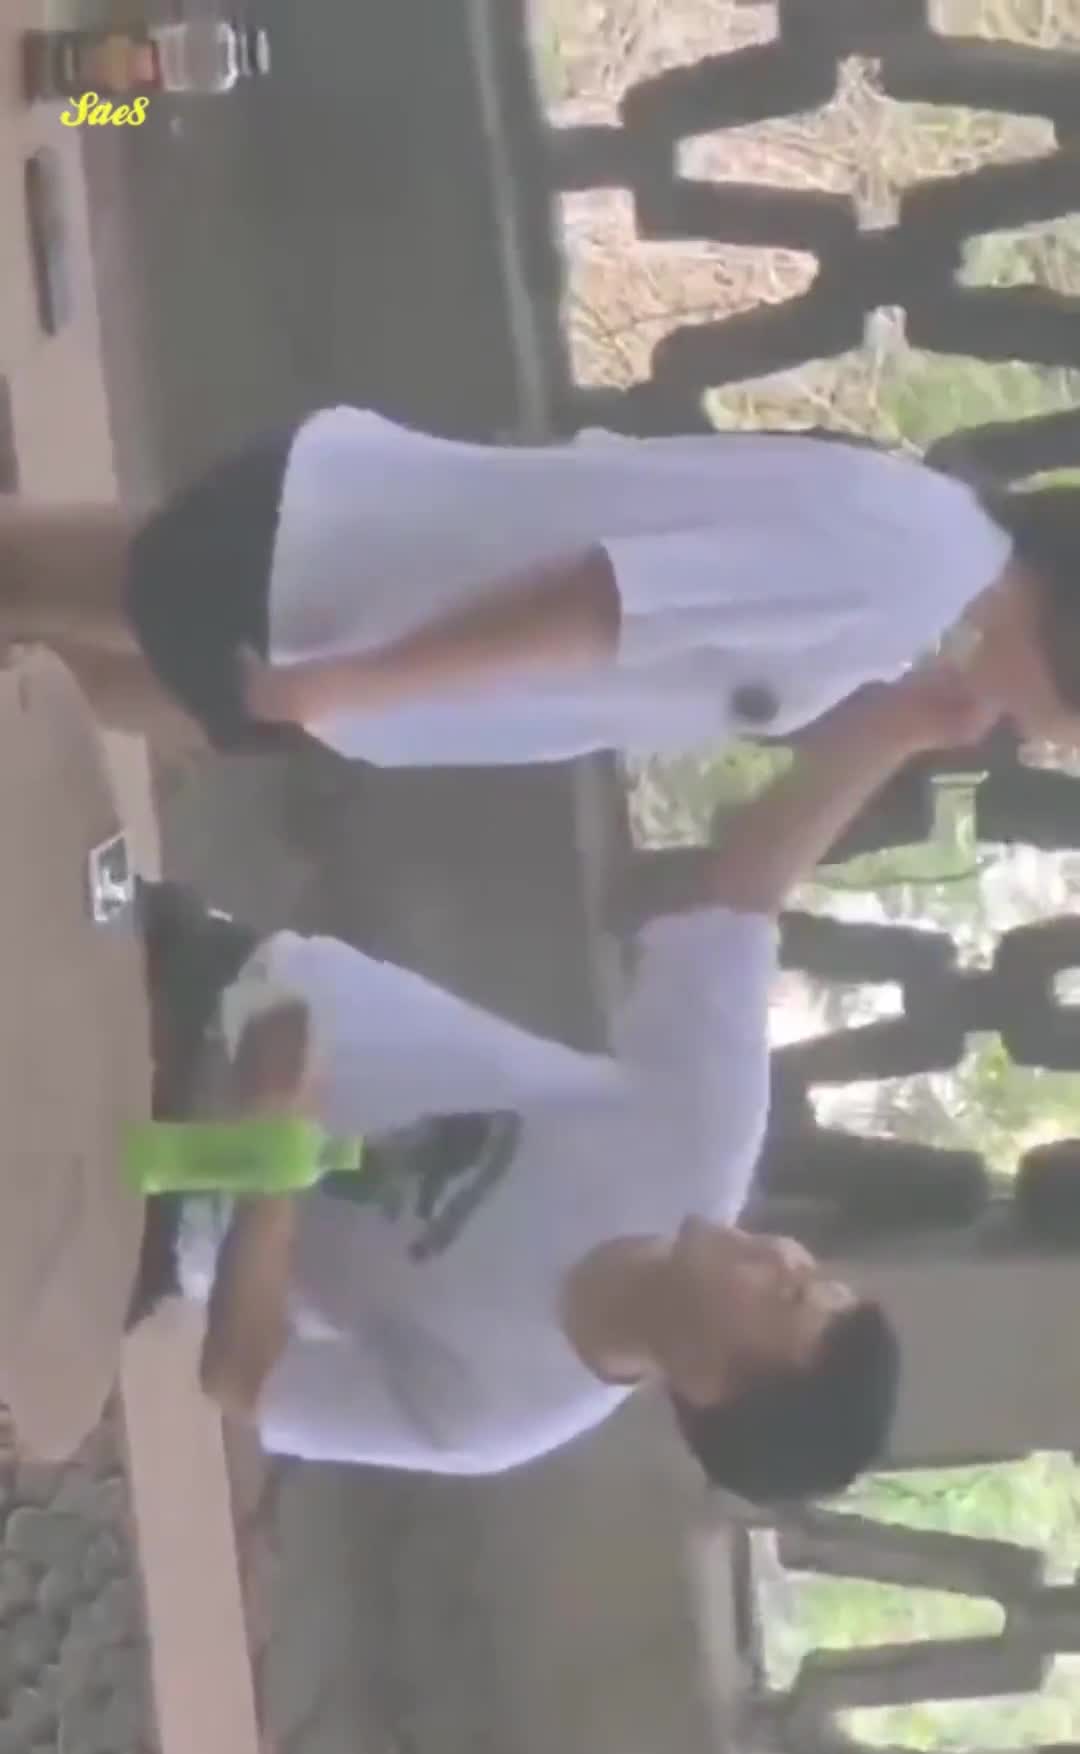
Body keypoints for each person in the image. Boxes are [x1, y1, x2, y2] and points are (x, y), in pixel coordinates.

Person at [144, 659, 998, 1502]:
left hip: (161, 1203)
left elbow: (243, 1377)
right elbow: (739, 896)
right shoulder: (702, 1134)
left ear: (709, 1380)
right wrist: (900, 729)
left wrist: (275, 1156)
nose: (781, 1253)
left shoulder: (498, 1412)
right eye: (807, 1268)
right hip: (224, 989)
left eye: (786, 1296)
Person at [2, 410, 1077, 766]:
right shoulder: (909, 573)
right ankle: (101, 93)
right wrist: (357, 683)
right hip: (339, 587)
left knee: (57, 670)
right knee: (42, 592)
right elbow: (611, 602)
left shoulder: (930, 567)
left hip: (361, 598)